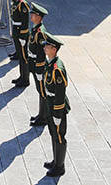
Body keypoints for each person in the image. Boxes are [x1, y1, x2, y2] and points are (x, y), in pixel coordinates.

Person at [41, 33, 70, 177]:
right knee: (53, 134)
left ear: (54, 49)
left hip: (57, 107)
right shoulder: (50, 63)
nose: (45, 48)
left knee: (59, 136)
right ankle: (56, 161)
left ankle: (60, 166)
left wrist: (58, 114)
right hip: (50, 104)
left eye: (47, 46)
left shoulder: (57, 69)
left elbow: (60, 93)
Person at [26, 4, 50, 127]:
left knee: (42, 92)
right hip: (34, 64)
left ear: (39, 17)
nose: (31, 16)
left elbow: (41, 53)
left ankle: (44, 117)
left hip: (39, 66)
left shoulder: (40, 32)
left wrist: (39, 70)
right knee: (40, 91)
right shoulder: (36, 29)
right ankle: (41, 114)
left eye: (34, 14)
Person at [8, 0, 31, 87]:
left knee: (24, 57)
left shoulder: (23, 3)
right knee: (21, 57)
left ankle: (25, 79)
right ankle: (21, 76)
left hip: (21, 33)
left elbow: (25, 22)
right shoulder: (17, 0)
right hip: (16, 31)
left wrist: (23, 36)